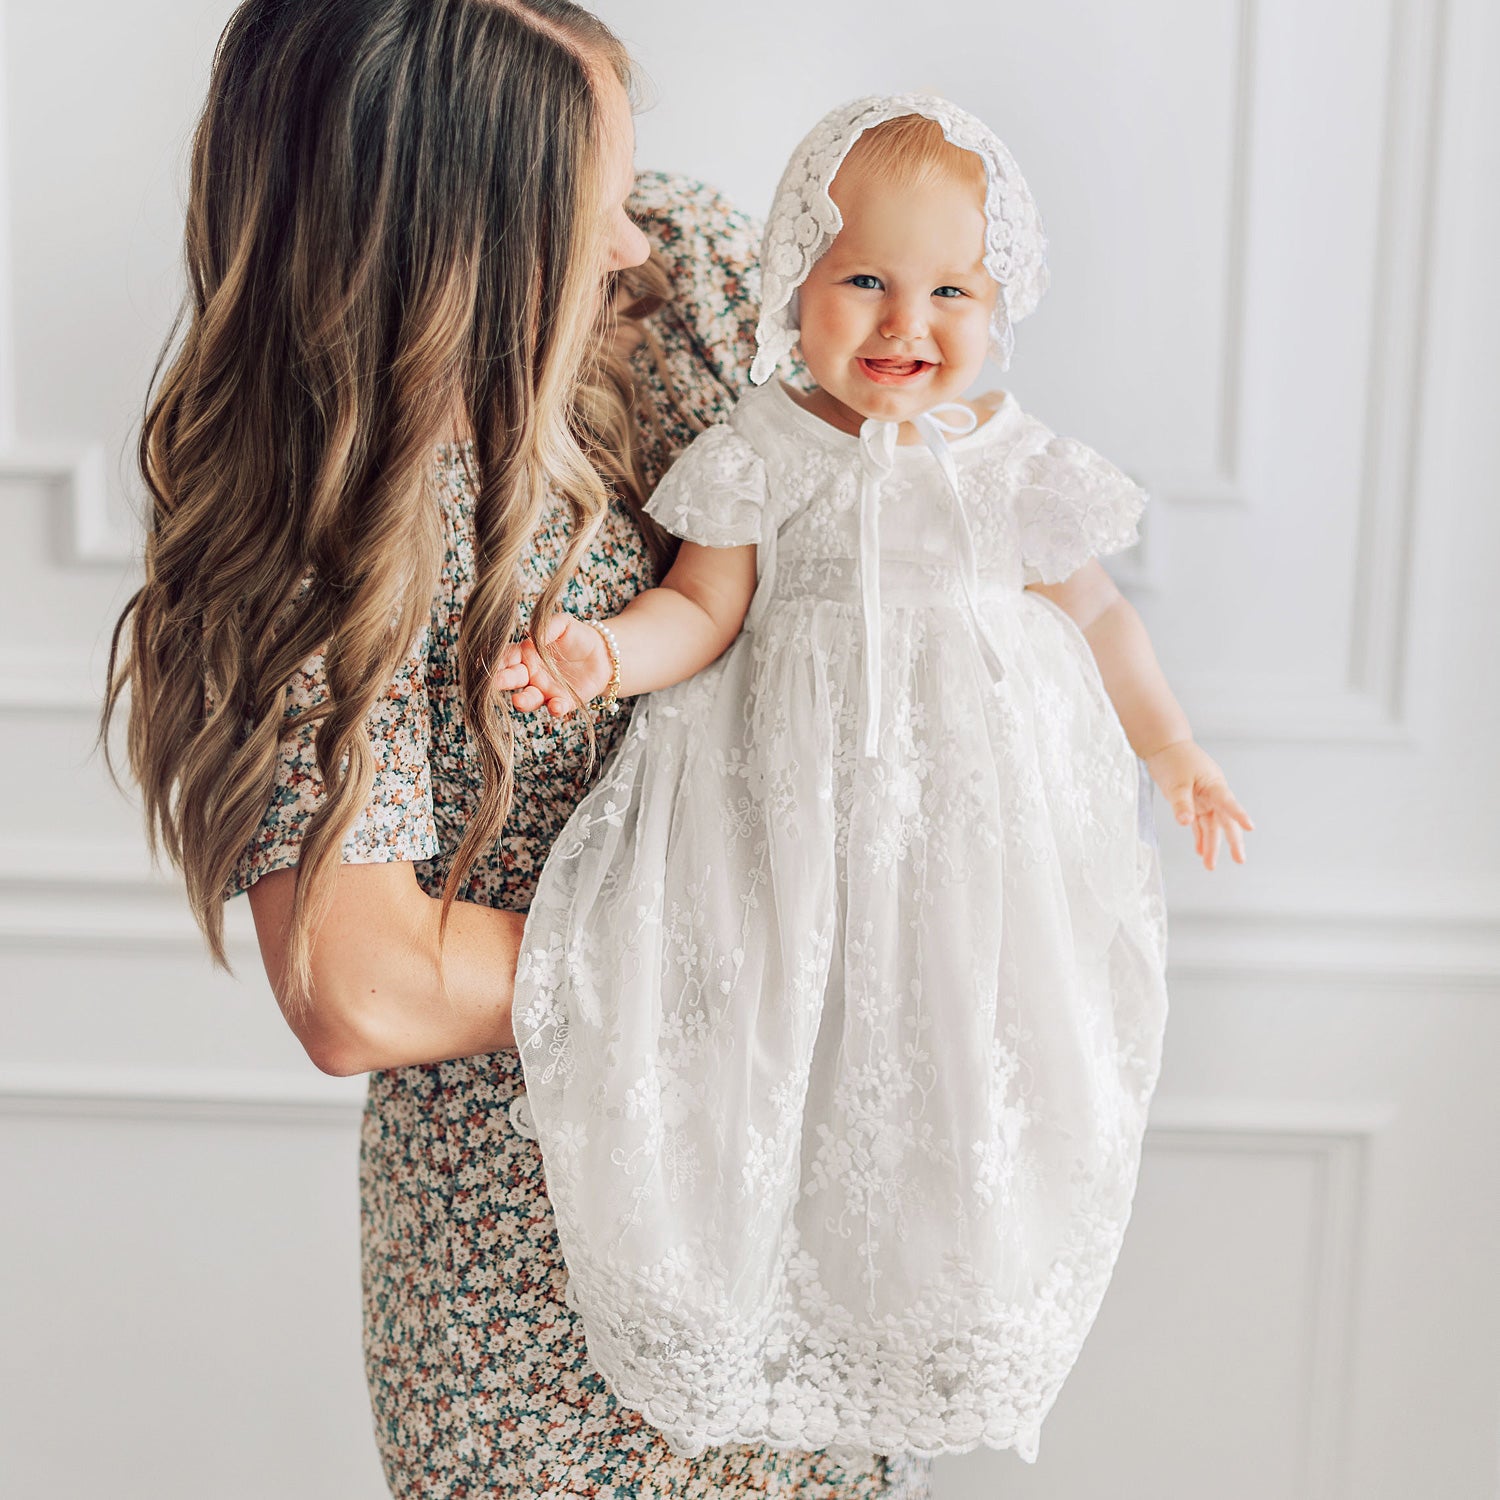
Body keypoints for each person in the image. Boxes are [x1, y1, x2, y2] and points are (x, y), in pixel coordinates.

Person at [104, 3, 932, 1494]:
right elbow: (360, 985)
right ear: (448, 241)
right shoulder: (332, 521)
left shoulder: (680, 277)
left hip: (788, 1197)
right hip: (549, 1278)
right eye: (585, 206)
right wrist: (761, 949)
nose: (632, 235)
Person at [497, 95, 1256, 1464]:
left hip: (968, 846)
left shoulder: (1012, 463)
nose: (905, 324)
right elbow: (704, 611)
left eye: (949, 289)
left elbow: (1099, 619)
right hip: (791, 822)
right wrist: (601, 657)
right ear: (795, 282)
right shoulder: (764, 450)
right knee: (778, 1043)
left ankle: (934, 1310)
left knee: (964, 1057)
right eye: (863, 282)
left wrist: (1174, 749)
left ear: (1003, 297)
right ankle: (750, 1304)